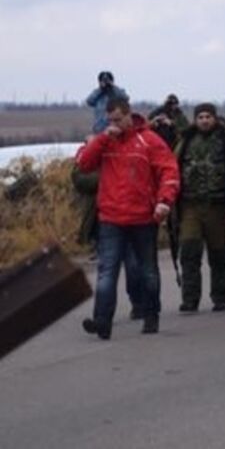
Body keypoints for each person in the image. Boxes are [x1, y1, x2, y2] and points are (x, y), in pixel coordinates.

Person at [76, 96, 180, 338]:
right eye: (109, 120)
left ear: (128, 115)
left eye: (118, 119)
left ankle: (151, 314)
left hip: (143, 217)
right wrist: (101, 139)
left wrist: (164, 201)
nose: (114, 124)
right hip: (111, 217)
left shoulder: (148, 140)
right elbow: (83, 163)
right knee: (106, 272)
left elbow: (169, 171)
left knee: (147, 270)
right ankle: (102, 321)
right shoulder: (105, 142)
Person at [173, 102, 225, 313]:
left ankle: (220, 296)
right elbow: (174, 168)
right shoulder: (186, 140)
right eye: (201, 117)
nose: (205, 120)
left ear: (215, 118)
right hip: (190, 205)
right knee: (189, 251)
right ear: (195, 120)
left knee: (218, 254)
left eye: (208, 116)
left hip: (217, 206)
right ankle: (190, 299)